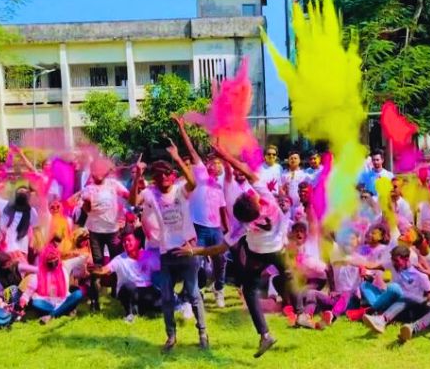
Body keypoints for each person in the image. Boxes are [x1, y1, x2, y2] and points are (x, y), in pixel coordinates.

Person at [176, 143, 313, 358]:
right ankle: (301, 313)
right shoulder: (267, 198)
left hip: (257, 254)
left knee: (249, 290)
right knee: (288, 273)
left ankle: (265, 335)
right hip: (277, 249)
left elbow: (219, 247)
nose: (250, 194)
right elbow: (246, 171)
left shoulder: (242, 225)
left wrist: (194, 251)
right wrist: (225, 154)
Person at [129, 139, 208, 351]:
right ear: (153, 178)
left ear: (172, 175)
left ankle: (203, 333)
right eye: (158, 175)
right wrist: (137, 176)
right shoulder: (150, 193)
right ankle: (171, 337)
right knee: (166, 297)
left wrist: (177, 158)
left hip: (187, 250)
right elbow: (133, 201)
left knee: (193, 293)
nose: (163, 177)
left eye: (166, 173)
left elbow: (193, 182)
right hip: (166, 253)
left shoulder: (181, 190)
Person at [176, 116, 229, 308]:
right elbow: (191, 150)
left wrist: (226, 229)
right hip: (198, 228)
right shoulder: (200, 174)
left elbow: (222, 209)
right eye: (216, 163)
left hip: (216, 229)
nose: (219, 165)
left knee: (221, 259)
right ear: (208, 165)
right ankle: (190, 296)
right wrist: (182, 128)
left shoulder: (219, 186)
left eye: (220, 163)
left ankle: (219, 289)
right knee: (195, 262)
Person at [80, 157, 129, 311]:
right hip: (95, 232)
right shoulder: (88, 189)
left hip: (113, 231)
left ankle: (116, 291)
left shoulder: (113, 184)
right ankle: (95, 300)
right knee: (97, 265)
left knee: (115, 263)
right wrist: (87, 203)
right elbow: (86, 210)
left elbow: (129, 196)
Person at [360, 245, 430, 334]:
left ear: (406, 259)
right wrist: (361, 265)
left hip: (415, 301)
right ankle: (376, 311)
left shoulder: (419, 274)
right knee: (365, 285)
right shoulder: (392, 265)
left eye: (397, 261)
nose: (394, 263)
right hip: (398, 298)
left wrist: (429, 302)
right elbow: (373, 265)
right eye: (392, 260)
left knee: (396, 289)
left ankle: (379, 316)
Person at [91, 232, 160, 322]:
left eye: (129, 240)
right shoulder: (119, 259)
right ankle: (129, 313)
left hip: (146, 290)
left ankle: (141, 308)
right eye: (124, 241)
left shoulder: (148, 255)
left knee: (163, 303)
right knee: (129, 286)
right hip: (128, 290)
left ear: (138, 241)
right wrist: (92, 269)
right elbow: (104, 270)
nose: (126, 243)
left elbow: (161, 267)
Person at [17, 242, 87, 325]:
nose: (53, 264)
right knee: (36, 302)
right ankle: (64, 311)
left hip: (63, 301)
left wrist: (75, 253)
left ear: (58, 259)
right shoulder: (39, 275)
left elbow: (84, 257)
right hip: (47, 304)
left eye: (55, 261)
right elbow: (27, 294)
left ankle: (51, 316)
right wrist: (22, 303)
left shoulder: (65, 267)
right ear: (45, 262)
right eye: (50, 263)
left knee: (78, 294)